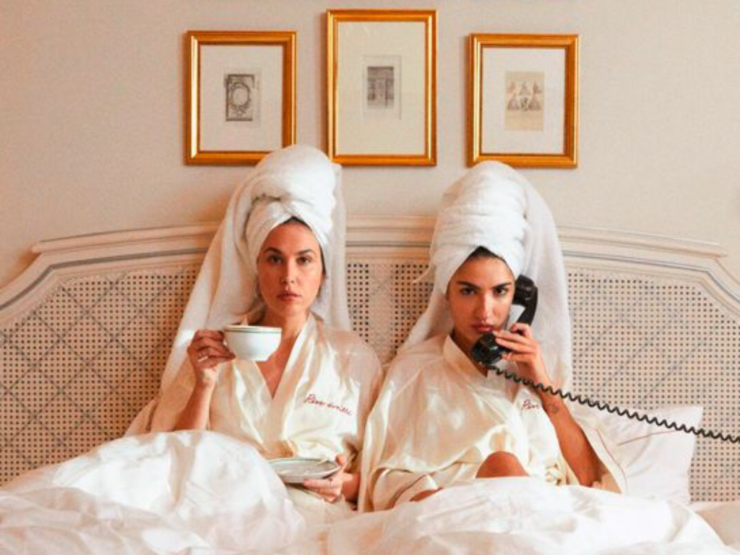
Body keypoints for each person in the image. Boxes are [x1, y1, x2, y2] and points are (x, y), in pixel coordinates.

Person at [127, 145, 382, 523]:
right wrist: (204, 384)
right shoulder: (213, 350)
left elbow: (383, 473)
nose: (289, 277)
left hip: (315, 518)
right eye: (274, 259)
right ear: (255, 266)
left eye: (304, 260)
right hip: (224, 512)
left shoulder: (354, 358)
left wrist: (343, 485)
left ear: (324, 270)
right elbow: (175, 458)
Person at [360, 162, 625, 512]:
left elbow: (589, 479)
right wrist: (477, 496)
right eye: (468, 291)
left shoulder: (535, 375)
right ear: (447, 292)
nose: (485, 311)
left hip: (546, 517)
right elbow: (384, 485)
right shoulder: (413, 372)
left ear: (519, 294)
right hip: (456, 519)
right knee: (503, 464)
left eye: (500, 292)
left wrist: (542, 384)